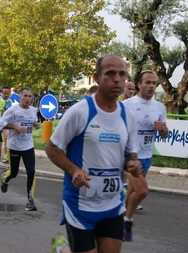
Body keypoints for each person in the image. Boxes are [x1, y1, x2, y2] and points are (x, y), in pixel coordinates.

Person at [45, 55, 142, 253]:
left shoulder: (128, 115)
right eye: (110, 74)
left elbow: (130, 155)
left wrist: (133, 164)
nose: (117, 79)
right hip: (80, 204)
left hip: (112, 203)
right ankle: (61, 248)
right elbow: (52, 148)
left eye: (122, 74)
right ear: (97, 78)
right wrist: (74, 170)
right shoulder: (80, 112)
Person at [122, 70, 168, 242]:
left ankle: (119, 216)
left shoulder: (159, 107)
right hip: (130, 156)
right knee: (141, 190)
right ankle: (127, 220)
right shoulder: (128, 105)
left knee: (133, 191)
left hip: (147, 153)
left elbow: (165, 133)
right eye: (147, 82)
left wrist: (162, 128)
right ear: (139, 84)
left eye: (154, 83)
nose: (151, 86)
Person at [0, 87, 41, 211]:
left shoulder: (33, 110)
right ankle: (6, 178)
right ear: (20, 97)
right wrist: (15, 127)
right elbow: (1, 124)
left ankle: (30, 200)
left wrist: (35, 125)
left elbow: (33, 122)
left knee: (31, 171)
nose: (28, 98)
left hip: (28, 145)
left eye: (30, 96)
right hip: (14, 146)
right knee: (14, 172)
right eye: (25, 96)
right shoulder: (13, 110)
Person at [1, 86, 12, 163]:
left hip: (6, 123)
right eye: (4, 93)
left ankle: (6, 155)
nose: (6, 95)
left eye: (7, 93)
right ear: (2, 93)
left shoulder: (10, 102)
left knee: (6, 139)